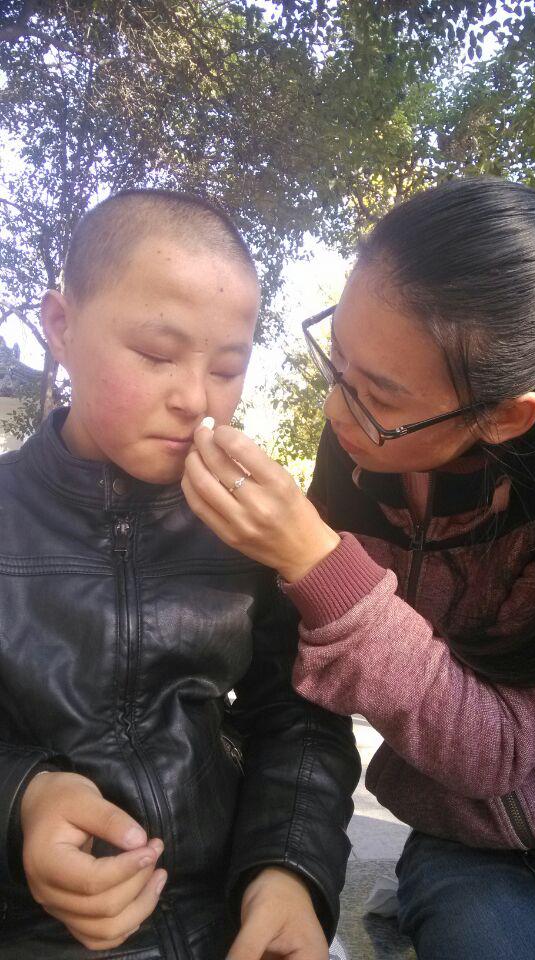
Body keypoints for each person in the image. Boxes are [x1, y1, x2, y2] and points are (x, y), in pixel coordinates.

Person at [183, 177, 535, 960]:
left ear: (502, 416)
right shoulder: (354, 457)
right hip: (469, 847)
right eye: (337, 360)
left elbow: (497, 752)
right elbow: (292, 698)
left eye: (378, 394)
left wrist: (318, 563)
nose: (335, 409)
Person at [0, 188, 360, 960]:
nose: (196, 400)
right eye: (157, 355)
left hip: (228, 911)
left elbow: (299, 718)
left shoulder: (248, 526)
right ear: (60, 325)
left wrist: (287, 873)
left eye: (227, 369)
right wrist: (22, 798)